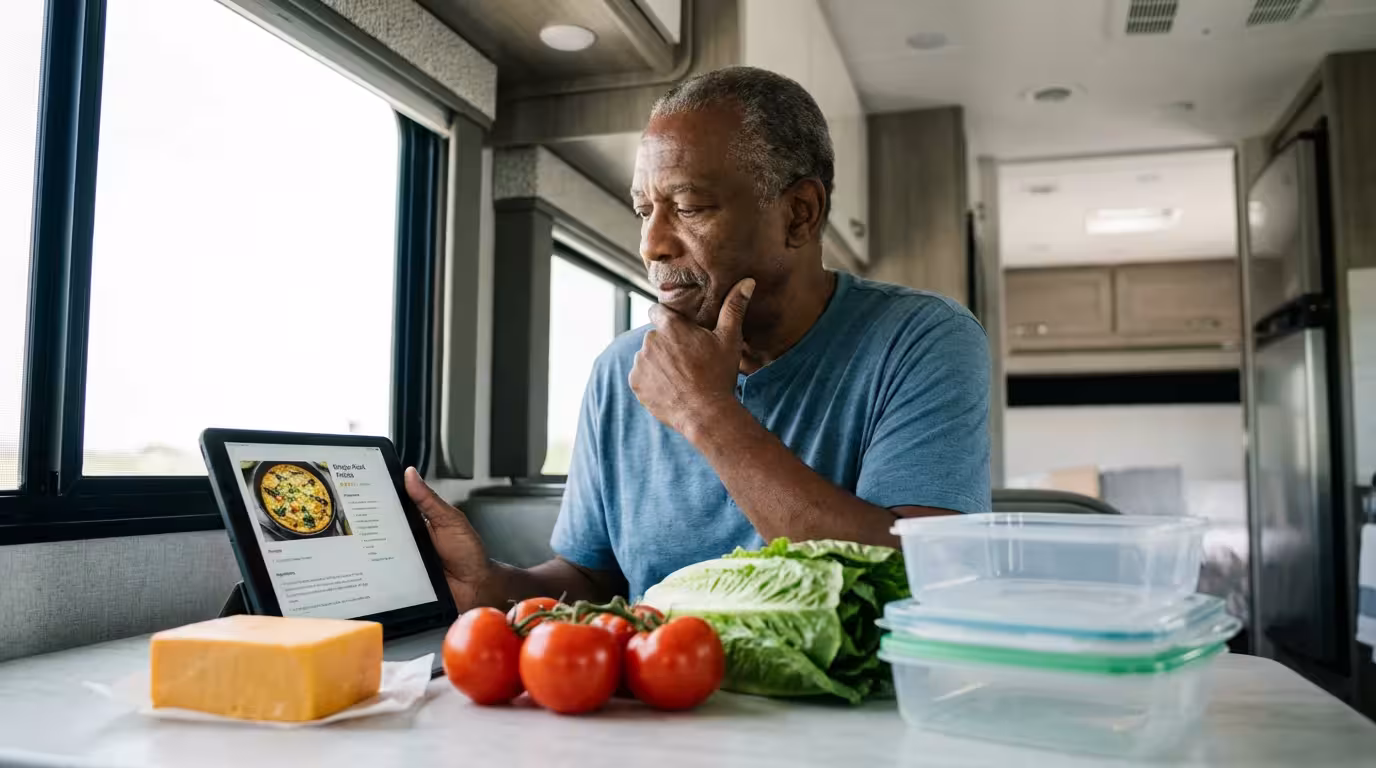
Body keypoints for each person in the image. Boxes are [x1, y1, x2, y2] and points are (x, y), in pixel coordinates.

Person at [404, 66, 991, 609]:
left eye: (687, 206)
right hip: (657, 703)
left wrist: (706, 412)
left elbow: (924, 579)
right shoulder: (622, 369)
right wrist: (491, 583)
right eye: (643, 211)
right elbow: (589, 581)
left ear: (800, 215)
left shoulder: (922, 339)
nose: (652, 244)